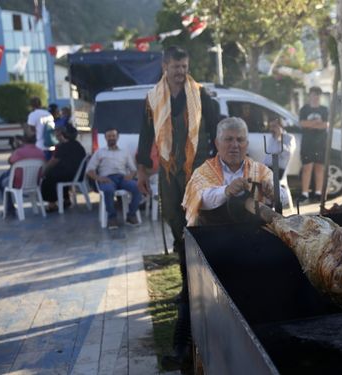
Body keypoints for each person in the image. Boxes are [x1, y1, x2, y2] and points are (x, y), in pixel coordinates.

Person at [135, 45, 219, 370]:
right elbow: (146, 138)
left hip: (197, 175)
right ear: (164, 65)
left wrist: (218, 165)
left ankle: (192, 286)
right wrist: (143, 169)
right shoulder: (152, 99)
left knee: (196, 229)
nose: (180, 71)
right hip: (169, 177)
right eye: (175, 66)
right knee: (177, 228)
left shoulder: (203, 95)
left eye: (184, 66)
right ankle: (187, 281)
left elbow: (217, 128)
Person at [183, 117, 286, 226]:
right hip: (214, 235)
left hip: (253, 234)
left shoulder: (260, 171)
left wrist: (274, 193)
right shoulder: (204, 171)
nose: (235, 145)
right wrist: (226, 191)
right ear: (217, 143)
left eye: (240, 140)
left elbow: (284, 197)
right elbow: (199, 198)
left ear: (246, 144)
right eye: (229, 139)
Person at [86, 128, 141, 229]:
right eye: (109, 136)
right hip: (107, 179)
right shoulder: (100, 152)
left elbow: (133, 169)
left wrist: (131, 175)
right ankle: (112, 218)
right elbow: (89, 170)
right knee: (108, 190)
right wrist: (98, 178)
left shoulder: (125, 152)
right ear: (105, 138)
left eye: (113, 136)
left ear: (117, 137)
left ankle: (131, 215)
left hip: (123, 178)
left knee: (138, 187)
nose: (111, 138)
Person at [0, 134, 44, 214]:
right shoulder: (40, 152)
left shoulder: (19, 152)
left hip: (19, 183)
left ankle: (9, 209)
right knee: (11, 171)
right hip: (35, 182)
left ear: (23, 141)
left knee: (3, 181)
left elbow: (10, 161)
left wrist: (16, 148)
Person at [41, 124, 86, 212]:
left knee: (48, 178)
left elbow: (52, 162)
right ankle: (66, 199)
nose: (57, 137)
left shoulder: (63, 147)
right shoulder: (78, 145)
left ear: (63, 135)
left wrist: (44, 172)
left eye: (58, 135)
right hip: (78, 175)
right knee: (58, 175)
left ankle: (52, 204)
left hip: (69, 175)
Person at [298, 86, 328, 203]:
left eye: (317, 94)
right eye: (313, 94)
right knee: (307, 167)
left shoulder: (324, 110)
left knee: (319, 167)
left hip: (321, 142)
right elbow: (302, 123)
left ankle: (318, 193)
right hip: (308, 143)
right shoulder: (304, 109)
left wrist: (310, 124)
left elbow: (325, 125)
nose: (315, 97)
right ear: (309, 95)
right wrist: (316, 123)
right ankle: (305, 193)